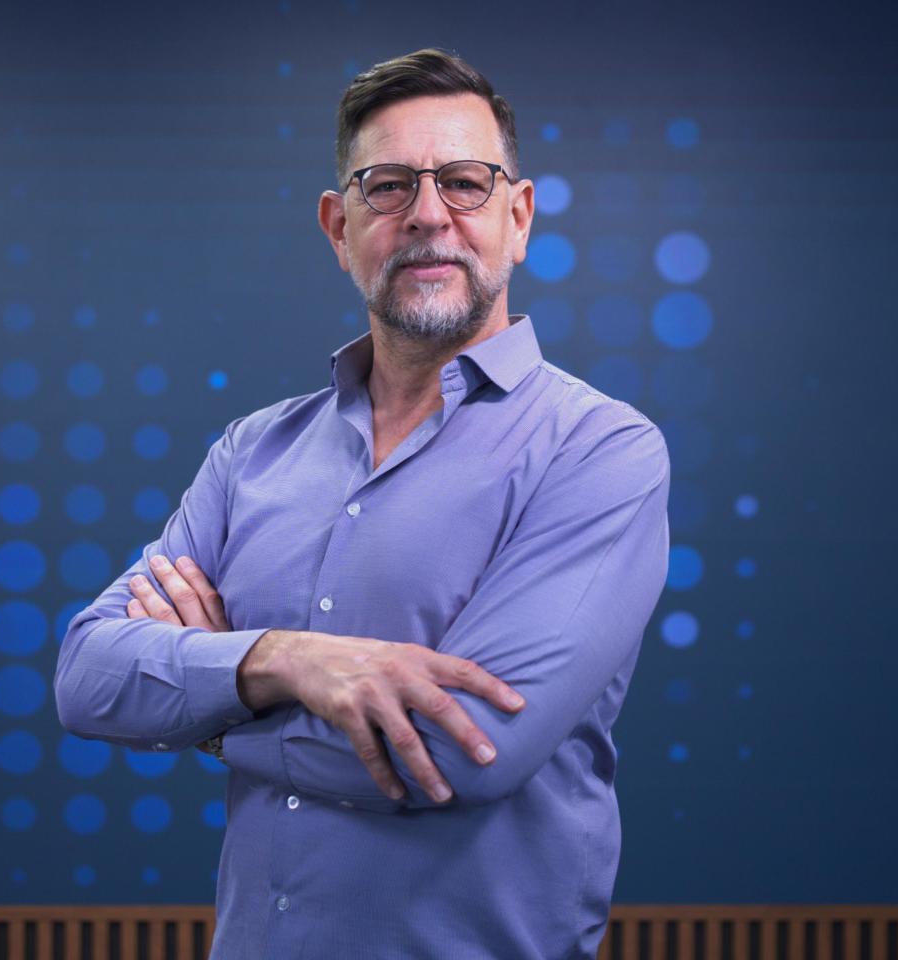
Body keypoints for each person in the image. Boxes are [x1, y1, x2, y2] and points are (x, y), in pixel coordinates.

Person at [54, 47, 670, 959]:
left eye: (465, 182)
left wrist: (215, 711)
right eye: (388, 187)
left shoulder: (600, 451)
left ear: (518, 217)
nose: (428, 214)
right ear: (339, 228)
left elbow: (462, 750)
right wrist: (285, 659)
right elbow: (88, 675)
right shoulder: (253, 452)